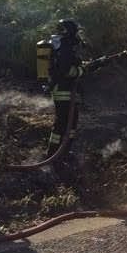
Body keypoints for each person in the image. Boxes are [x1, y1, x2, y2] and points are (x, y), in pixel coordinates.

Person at [46, 18, 86, 161]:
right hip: (63, 90)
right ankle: (53, 154)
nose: (77, 35)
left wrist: (84, 66)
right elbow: (66, 71)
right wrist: (81, 70)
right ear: (70, 32)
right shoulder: (64, 46)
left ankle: (64, 152)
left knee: (71, 122)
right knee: (63, 122)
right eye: (75, 32)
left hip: (67, 90)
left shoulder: (62, 45)